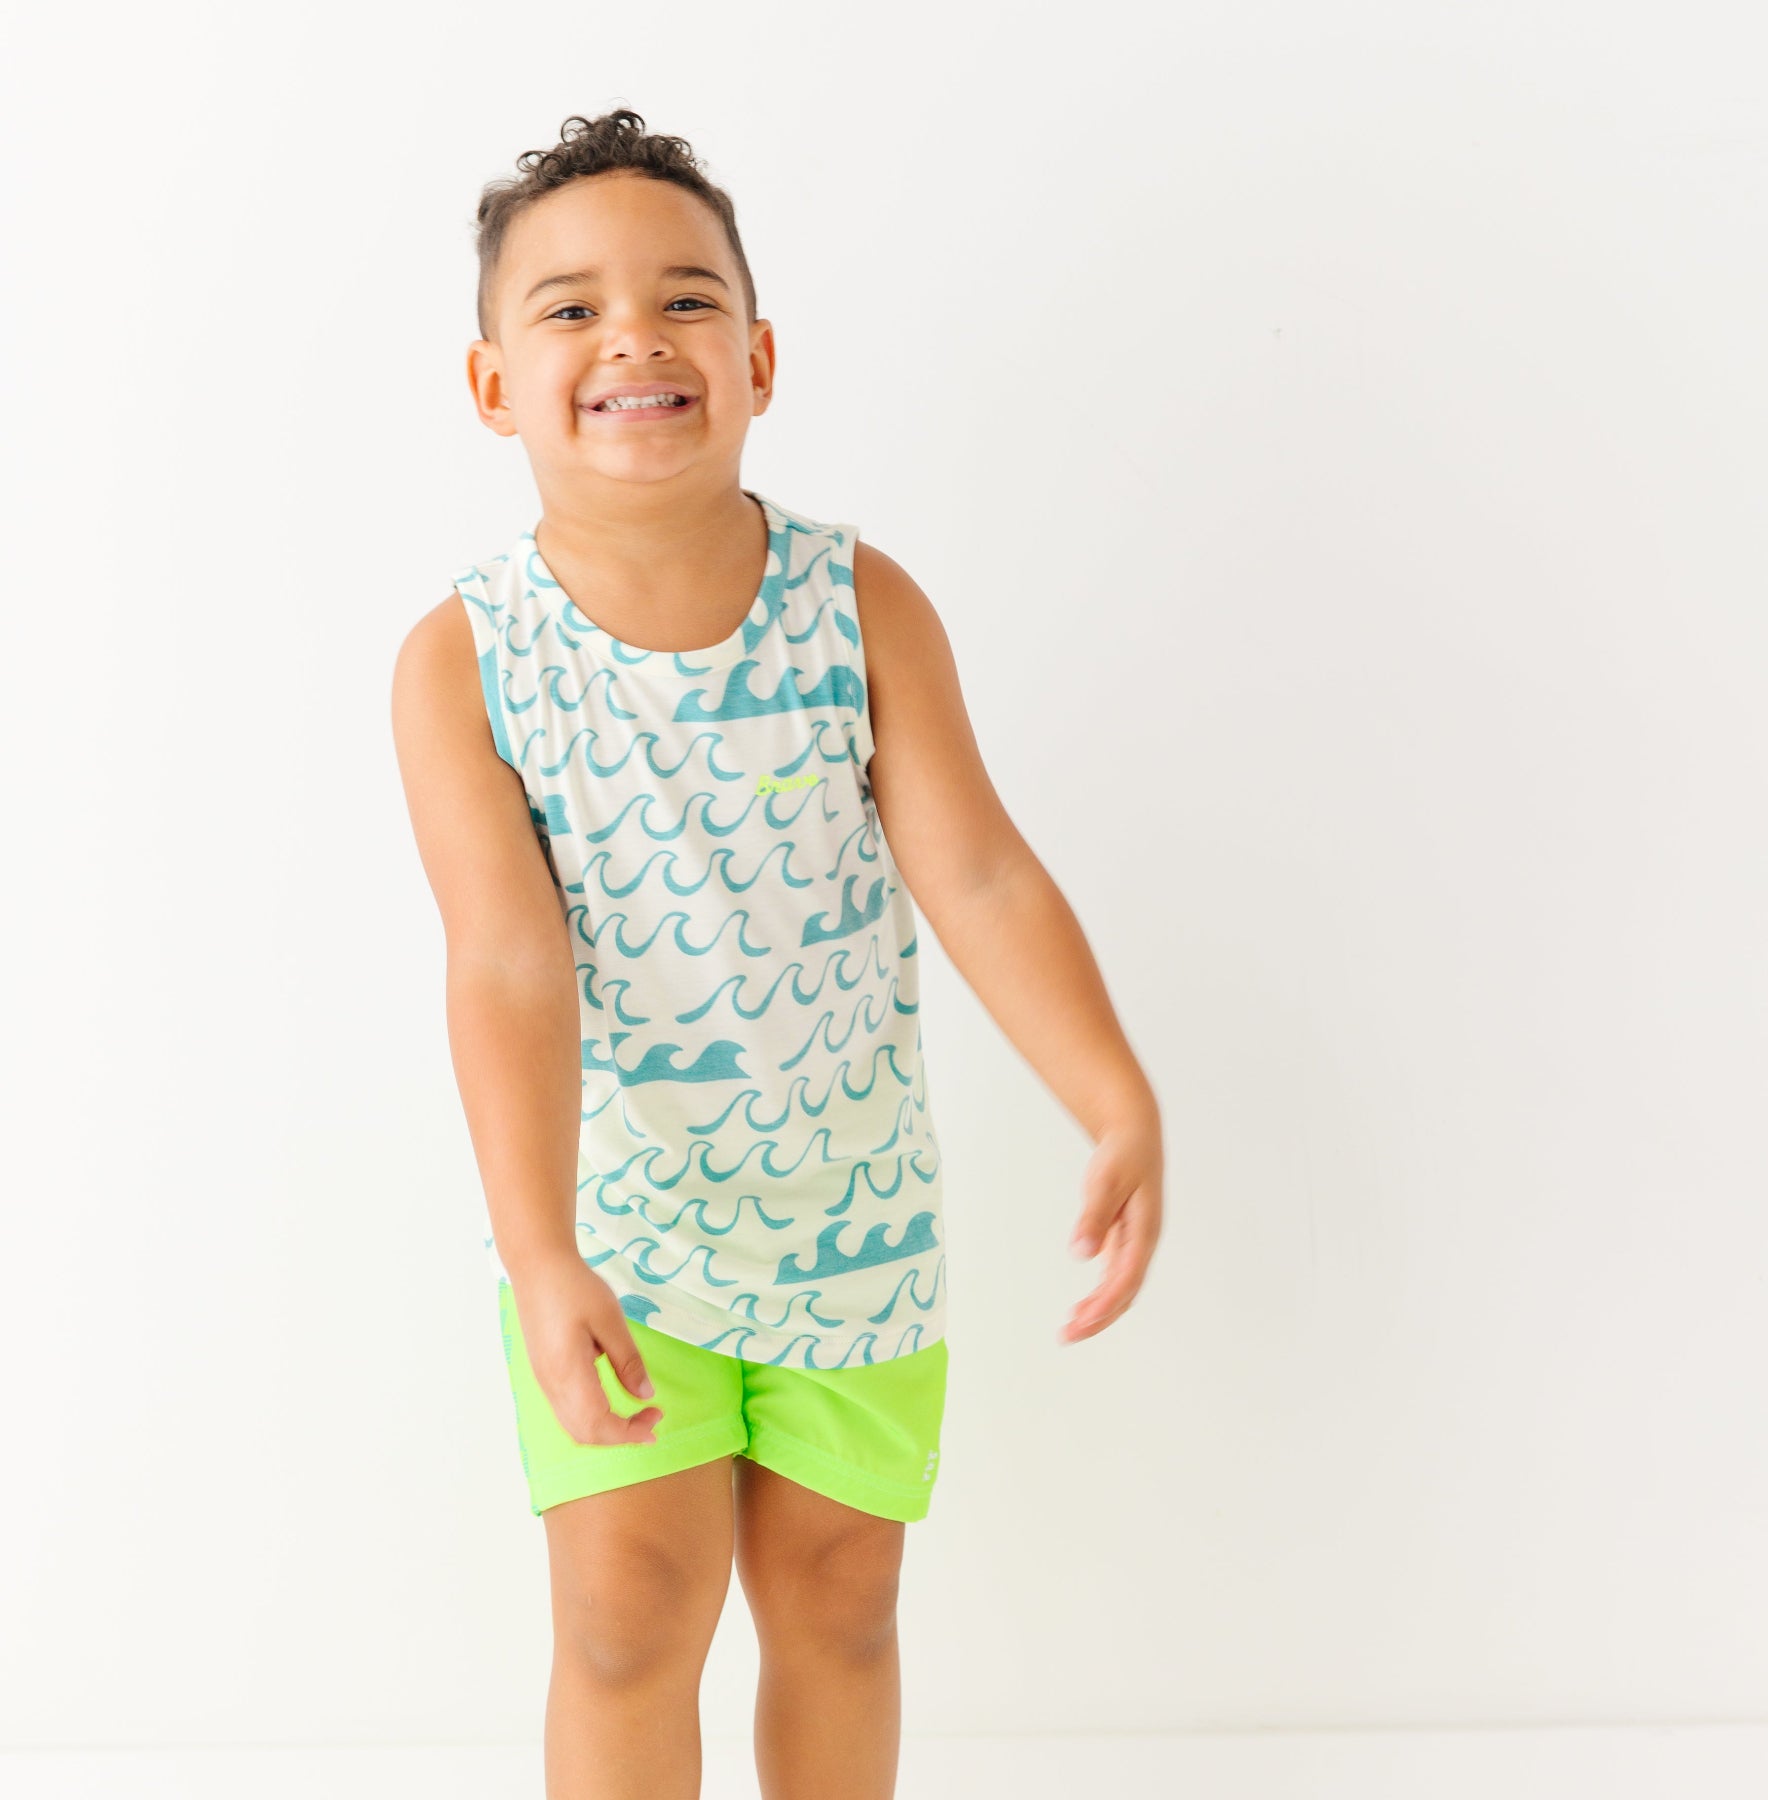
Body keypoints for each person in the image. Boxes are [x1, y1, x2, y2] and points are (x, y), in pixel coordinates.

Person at [390, 106, 1164, 1800]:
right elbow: (505, 971)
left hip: (853, 1224)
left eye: (681, 299)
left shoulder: (858, 604)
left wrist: (1112, 1095)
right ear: (492, 385)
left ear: (756, 356)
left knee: (841, 1601)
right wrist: (537, 1255)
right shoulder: (467, 663)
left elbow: (975, 871)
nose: (631, 339)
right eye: (570, 308)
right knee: (622, 1615)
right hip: (618, 1235)